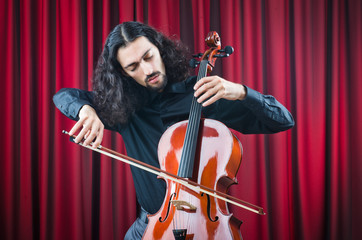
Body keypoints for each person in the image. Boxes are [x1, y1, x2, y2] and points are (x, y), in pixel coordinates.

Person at [53, 21, 294, 239]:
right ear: (123, 74)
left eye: (148, 56)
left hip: (205, 223)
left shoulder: (203, 94)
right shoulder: (123, 107)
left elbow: (283, 120)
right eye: (133, 67)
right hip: (149, 225)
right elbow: (64, 96)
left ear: (160, 49)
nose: (147, 71)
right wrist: (85, 110)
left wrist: (241, 92)